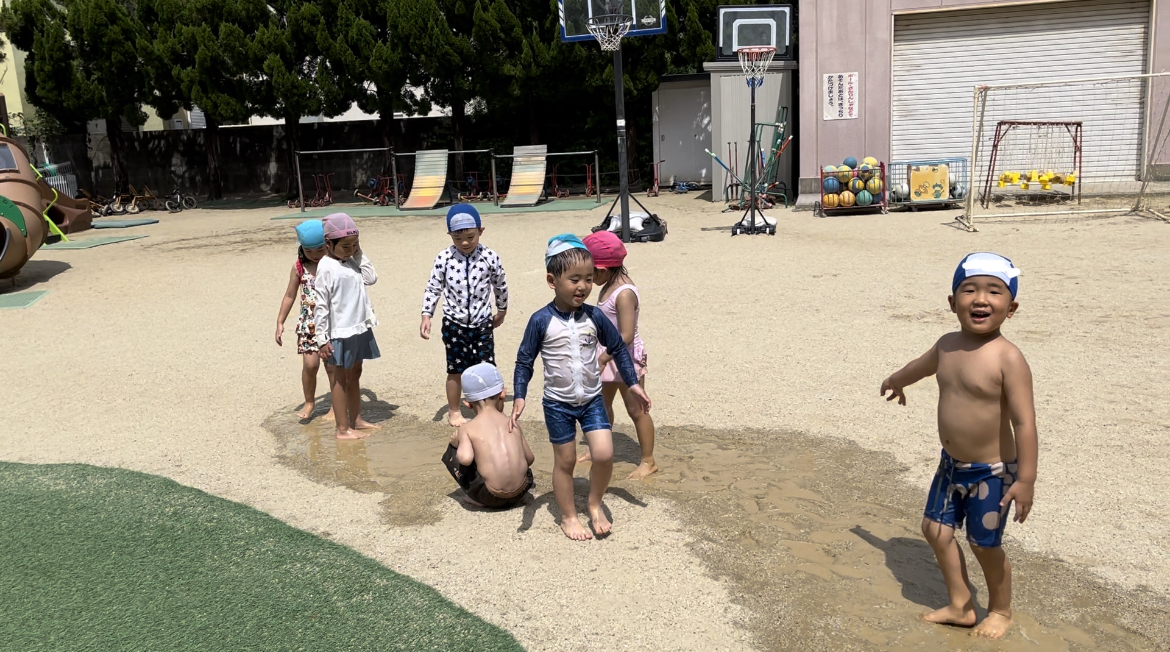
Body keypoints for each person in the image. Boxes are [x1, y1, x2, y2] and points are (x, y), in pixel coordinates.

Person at [880, 252, 1037, 640]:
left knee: (984, 544)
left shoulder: (1008, 358)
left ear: (1011, 308)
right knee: (935, 530)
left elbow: (1024, 423)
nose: (981, 299)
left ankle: (1000, 609)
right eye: (969, 290)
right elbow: (921, 366)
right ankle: (961, 605)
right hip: (950, 465)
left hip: (993, 473)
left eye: (994, 292)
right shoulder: (947, 345)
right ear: (953, 302)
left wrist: (1026, 480)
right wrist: (897, 379)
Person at [512, 234, 651, 541]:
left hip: (591, 400)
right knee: (566, 461)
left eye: (588, 279)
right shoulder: (540, 320)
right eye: (574, 279)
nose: (583, 286)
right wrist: (519, 395)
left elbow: (618, 346)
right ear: (552, 281)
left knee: (604, 454)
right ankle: (568, 516)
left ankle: (594, 503)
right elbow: (524, 360)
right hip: (557, 404)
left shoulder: (595, 316)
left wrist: (632, 384)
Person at [577, 230, 657, 480]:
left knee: (637, 410)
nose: (587, 280)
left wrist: (604, 357)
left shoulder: (624, 293)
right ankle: (599, 448)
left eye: (590, 274)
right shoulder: (608, 284)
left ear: (603, 269)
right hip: (607, 353)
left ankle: (648, 460)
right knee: (601, 405)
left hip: (624, 357)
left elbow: (627, 335)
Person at [421, 204, 509, 427]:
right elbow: (433, 287)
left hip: (482, 322)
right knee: (456, 370)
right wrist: (426, 314)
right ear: (449, 235)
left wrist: (502, 310)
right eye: (458, 238)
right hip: (454, 324)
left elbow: (500, 285)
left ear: (481, 231)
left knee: (487, 368)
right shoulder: (444, 258)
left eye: (470, 237)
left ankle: (493, 411)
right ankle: (454, 410)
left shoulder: (489, 257)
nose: (465, 243)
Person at [313, 213, 381, 440]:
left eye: (354, 245)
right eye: (345, 246)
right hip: (340, 331)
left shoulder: (351, 260)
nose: (350, 250)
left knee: (356, 373)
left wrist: (358, 252)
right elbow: (321, 304)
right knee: (340, 378)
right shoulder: (326, 266)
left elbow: (371, 277)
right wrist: (322, 338)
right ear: (328, 244)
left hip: (359, 326)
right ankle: (342, 429)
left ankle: (356, 419)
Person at [441, 362, 535, 509]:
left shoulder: (467, 428)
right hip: (522, 490)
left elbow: (465, 459)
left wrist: (455, 446)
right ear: (503, 394)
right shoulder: (512, 423)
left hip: (491, 496)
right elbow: (530, 458)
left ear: (467, 404)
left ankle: (475, 497)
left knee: (457, 452)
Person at [275, 220, 336, 421]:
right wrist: (280, 322)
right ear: (302, 249)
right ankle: (309, 401)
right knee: (310, 365)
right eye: (309, 250)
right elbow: (290, 295)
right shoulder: (299, 267)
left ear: (328, 245)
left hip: (332, 324)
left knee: (332, 366)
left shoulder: (335, 264)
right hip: (309, 325)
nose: (315, 254)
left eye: (320, 249)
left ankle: (336, 405)